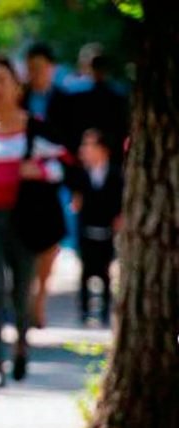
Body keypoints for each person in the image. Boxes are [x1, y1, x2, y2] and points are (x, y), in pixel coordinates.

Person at [0, 54, 69, 387]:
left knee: (22, 291)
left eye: (1, 81)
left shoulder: (37, 128)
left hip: (26, 221)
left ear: (16, 86)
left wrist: (36, 170)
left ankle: (21, 347)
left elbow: (65, 167)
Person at [23, 43, 72, 329]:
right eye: (30, 69)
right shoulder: (21, 97)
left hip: (55, 181)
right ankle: (27, 294)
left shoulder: (65, 100)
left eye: (39, 68)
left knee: (52, 240)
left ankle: (40, 296)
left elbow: (73, 141)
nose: (35, 74)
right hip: (25, 183)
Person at [73, 128, 123, 325]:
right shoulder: (82, 174)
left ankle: (104, 312)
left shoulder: (115, 173)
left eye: (90, 146)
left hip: (108, 230)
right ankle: (85, 311)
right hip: (86, 229)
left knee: (105, 272)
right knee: (85, 270)